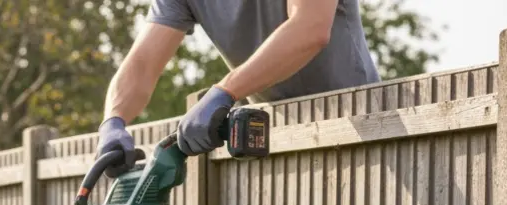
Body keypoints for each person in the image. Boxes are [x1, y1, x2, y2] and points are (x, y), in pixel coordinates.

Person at [98, 0, 381, 173]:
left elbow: (310, 29)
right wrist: (113, 120)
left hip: (364, 127)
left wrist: (224, 91)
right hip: (278, 137)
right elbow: (143, 63)